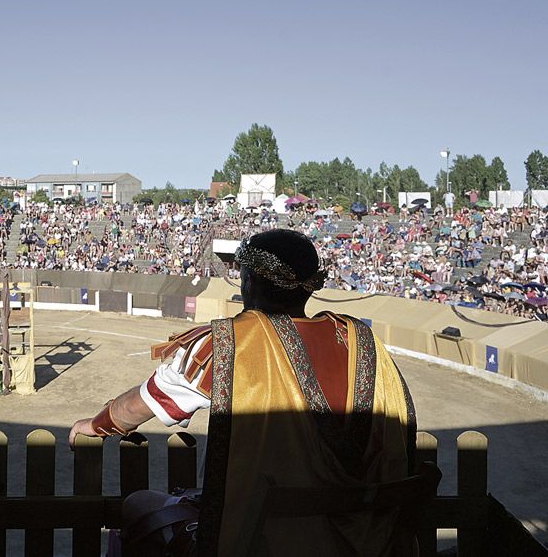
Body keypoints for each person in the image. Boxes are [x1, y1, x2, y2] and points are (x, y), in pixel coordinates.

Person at [70, 229, 417, 556]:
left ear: (250, 281)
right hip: (365, 542)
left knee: (139, 504)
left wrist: (97, 423)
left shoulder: (230, 343)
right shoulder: (363, 342)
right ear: (309, 288)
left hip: (257, 540)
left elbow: (142, 403)